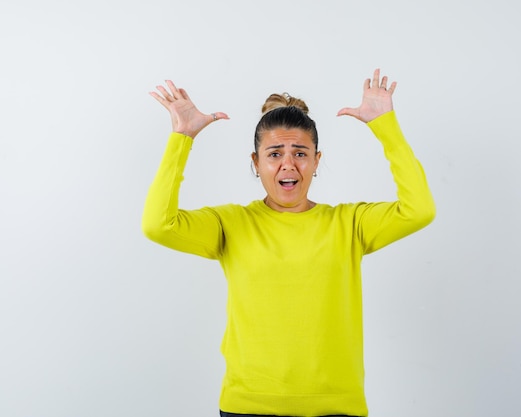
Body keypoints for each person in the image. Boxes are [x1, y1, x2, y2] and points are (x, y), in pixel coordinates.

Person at [142, 69, 436, 417]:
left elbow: (418, 210)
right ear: (256, 162)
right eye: (274, 153)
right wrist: (182, 138)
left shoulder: (349, 224)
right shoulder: (231, 224)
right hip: (248, 407)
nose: (288, 165)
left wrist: (386, 128)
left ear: (316, 160)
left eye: (299, 153)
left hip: (336, 407)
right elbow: (158, 225)